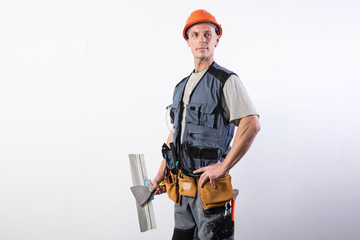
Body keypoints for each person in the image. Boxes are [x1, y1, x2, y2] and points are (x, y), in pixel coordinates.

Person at [152, 9, 261, 240]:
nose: (202, 39)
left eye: (208, 34)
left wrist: (223, 166)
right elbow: (176, 133)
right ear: (188, 41)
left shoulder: (226, 81)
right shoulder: (180, 86)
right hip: (182, 192)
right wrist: (161, 173)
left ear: (217, 39)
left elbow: (251, 124)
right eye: (196, 34)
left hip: (210, 192)